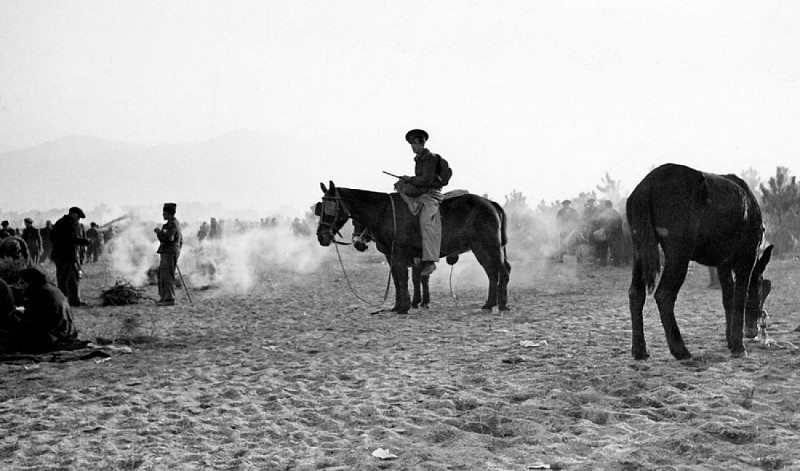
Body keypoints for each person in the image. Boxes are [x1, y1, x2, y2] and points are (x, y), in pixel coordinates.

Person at [394, 129, 445, 276]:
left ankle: (430, 261)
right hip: (423, 192)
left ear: (422, 143)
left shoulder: (430, 158)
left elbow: (426, 180)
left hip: (431, 194)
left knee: (426, 221)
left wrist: (409, 179)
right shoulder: (419, 159)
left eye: (415, 144)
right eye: (411, 144)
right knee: (400, 188)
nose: (413, 147)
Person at [0, 267, 79, 353]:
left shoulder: (41, 294)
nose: (21, 286)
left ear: (30, 282)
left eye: (22, 283)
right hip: (66, 331)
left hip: (55, 336)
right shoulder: (49, 288)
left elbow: (33, 323)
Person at [50, 207, 90, 306]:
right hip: (65, 256)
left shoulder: (63, 222)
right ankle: (73, 300)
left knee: (64, 278)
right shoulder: (65, 224)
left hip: (63, 255)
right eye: (78, 217)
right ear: (73, 214)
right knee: (71, 278)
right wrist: (84, 241)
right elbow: (70, 239)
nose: (78, 219)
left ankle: (63, 300)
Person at [154, 202, 183, 306]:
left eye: (164, 213)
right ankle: (164, 297)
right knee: (162, 275)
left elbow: (168, 238)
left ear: (169, 213)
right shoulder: (174, 223)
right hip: (169, 252)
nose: (163, 215)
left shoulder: (172, 224)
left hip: (169, 252)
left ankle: (169, 299)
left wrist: (158, 232)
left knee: (167, 276)